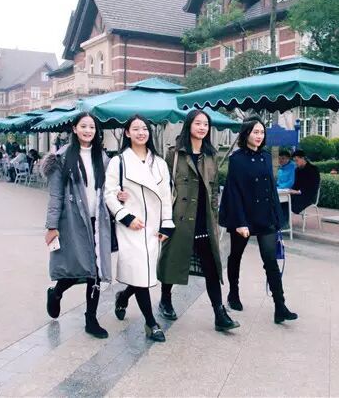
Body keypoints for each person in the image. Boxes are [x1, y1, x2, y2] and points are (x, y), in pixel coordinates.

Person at [157, 110, 240, 332]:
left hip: (204, 220)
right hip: (180, 219)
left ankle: (219, 314)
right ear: (189, 125)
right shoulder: (174, 154)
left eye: (205, 124)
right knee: (172, 262)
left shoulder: (211, 155)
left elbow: (214, 190)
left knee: (212, 267)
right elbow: (164, 188)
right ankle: (165, 299)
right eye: (198, 123)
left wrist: (214, 214)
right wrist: (165, 219)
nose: (202, 127)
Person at [41, 112, 114, 339]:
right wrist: (51, 226)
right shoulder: (61, 159)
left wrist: (119, 196)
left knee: (95, 271)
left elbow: (109, 189)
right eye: (83, 126)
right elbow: (55, 196)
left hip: (97, 221)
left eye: (92, 127)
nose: (88, 130)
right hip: (72, 222)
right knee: (75, 267)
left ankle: (91, 319)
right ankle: (56, 292)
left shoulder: (103, 158)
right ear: (74, 129)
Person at [219, 116, 298, 324]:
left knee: (271, 260)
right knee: (236, 256)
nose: (259, 136)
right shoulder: (236, 159)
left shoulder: (266, 157)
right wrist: (240, 222)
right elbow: (233, 192)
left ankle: (280, 306)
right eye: (255, 132)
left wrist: (277, 217)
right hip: (243, 216)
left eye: (262, 132)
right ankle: (233, 294)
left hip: (265, 216)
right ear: (246, 133)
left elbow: (270, 188)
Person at [105, 115, 175, 342]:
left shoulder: (160, 163)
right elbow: (109, 194)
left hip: (153, 226)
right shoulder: (119, 162)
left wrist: (167, 223)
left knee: (143, 272)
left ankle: (123, 296)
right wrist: (125, 217)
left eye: (144, 128)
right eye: (135, 129)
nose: (141, 132)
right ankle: (151, 323)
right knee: (140, 270)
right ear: (127, 133)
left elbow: (166, 196)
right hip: (131, 226)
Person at [289, 149, 321, 214]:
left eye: (296, 160)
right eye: (294, 161)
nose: (295, 163)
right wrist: (291, 190)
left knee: (290, 203)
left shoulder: (313, 169)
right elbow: (296, 184)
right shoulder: (297, 170)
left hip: (309, 195)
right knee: (284, 200)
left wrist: (299, 191)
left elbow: (314, 186)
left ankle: (285, 219)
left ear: (303, 158)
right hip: (299, 194)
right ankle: (283, 219)